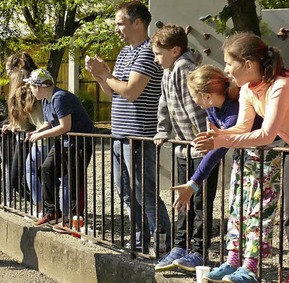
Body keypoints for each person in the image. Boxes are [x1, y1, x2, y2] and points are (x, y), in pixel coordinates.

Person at [194, 33, 289, 283]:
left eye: (228, 63)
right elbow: (243, 128)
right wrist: (219, 134)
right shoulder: (248, 89)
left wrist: (221, 140)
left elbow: (266, 134)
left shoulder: (283, 85)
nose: (225, 70)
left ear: (247, 64)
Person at [85, 0, 171, 253]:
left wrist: (107, 75)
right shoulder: (124, 53)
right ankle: (139, 240)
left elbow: (132, 91)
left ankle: (164, 243)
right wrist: (100, 76)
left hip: (139, 135)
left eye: (120, 23)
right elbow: (114, 95)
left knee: (145, 191)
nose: (116, 29)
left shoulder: (147, 51)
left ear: (137, 23)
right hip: (119, 134)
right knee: (125, 191)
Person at [149, 24, 214, 270]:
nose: (156, 60)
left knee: (199, 203)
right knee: (182, 199)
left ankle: (197, 250)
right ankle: (180, 245)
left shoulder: (184, 68)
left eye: (158, 53)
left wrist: (203, 140)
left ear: (175, 50)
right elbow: (163, 103)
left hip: (200, 149)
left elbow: (195, 108)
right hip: (184, 148)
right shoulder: (169, 70)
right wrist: (163, 130)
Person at [24, 68, 95, 228]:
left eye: (31, 86)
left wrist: (41, 136)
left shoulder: (59, 98)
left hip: (79, 143)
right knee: (46, 169)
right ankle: (53, 212)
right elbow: (49, 122)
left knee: (74, 181)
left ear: (38, 87)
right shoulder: (46, 100)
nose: (30, 90)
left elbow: (65, 126)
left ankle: (74, 220)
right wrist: (37, 131)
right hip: (64, 143)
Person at [1, 52, 43, 209]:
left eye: (8, 70)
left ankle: (43, 207)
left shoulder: (25, 90)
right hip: (29, 137)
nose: (7, 74)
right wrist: (13, 126)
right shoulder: (27, 89)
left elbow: (30, 120)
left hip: (32, 138)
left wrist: (16, 126)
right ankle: (42, 207)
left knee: (20, 178)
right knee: (22, 178)